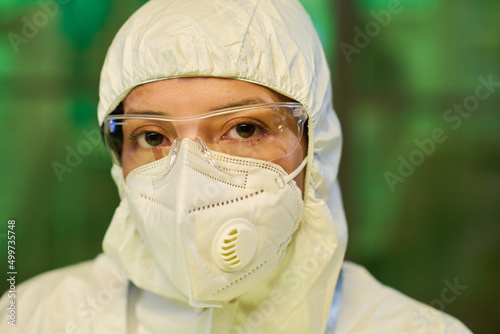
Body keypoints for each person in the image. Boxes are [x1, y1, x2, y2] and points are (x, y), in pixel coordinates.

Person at [0, 0, 472, 333]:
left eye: (244, 129)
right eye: (152, 137)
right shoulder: (34, 319)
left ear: (317, 148)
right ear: (118, 158)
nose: (189, 182)